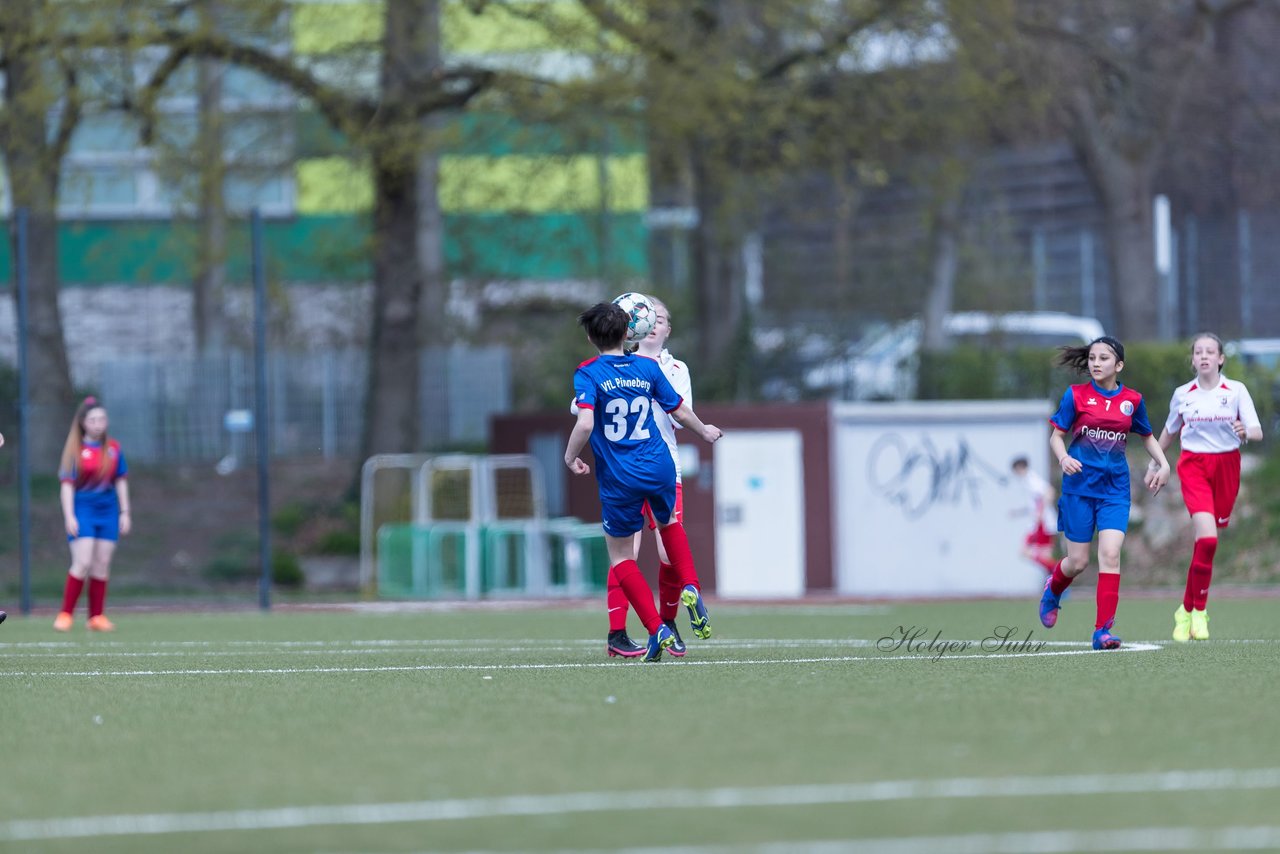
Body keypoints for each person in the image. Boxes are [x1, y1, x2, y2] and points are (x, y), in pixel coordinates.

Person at [565, 302, 722, 661]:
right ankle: (692, 587)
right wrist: (705, 431)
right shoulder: (648, 368)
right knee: (670, 526)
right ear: (628, 333)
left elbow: (585, 422)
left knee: (622, 557)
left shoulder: (588, 372)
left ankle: (656, 627)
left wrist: (570, 456)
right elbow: (680, 410)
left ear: (590, 337)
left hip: (622, 475)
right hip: (661, 465)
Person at [1037, 336, 1170, 650]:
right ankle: (1053, 589)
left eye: (1104, 358)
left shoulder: (1132, 400)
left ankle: (1102, 632)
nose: (1096, 363)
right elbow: (1057, 436)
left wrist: (1163, 463)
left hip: (1115, 489)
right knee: (1077, 562)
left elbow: (1147, 436)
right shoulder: (1076, 396)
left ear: (1119, 365)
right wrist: (1064, 457)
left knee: (1110, 556)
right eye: (1093, 358)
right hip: (1079, 489)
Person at [1154, 332, 1262, 642]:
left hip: (1227, 466)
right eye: (1198, 352)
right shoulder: (1183, 394)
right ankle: (1199, 611)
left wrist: (1245, 430)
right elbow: (1168, 432)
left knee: (1207, 543)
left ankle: (1184, 610)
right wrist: (1155, 463)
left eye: (1209, 351)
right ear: (1192, 360)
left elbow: (1256, 430)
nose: (1203, 356)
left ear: (1220, 358)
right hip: (1194, 467)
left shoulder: (1236, 391)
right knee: (1208, 539)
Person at [54, 398, 131, 632]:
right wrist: (69, 516)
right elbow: (66, 486)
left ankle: (96, 617)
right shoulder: (75, 450)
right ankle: (65, 614)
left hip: (108, 512)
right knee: (83, 562)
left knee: (102, 564)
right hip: (82, 510)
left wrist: (125, 512)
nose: (99, 424)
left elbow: (120, 481)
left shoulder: (114, 449)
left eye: (102, 419)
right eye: (93, 419)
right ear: (83, 422)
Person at [1009, 455, 1058, 575]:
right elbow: (1033, 503)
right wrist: (1018, 512)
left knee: (1025, 551)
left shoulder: (1032, 479)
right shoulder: (1027, 481)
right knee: (1044, 556)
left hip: (1042, 523)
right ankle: (1056, 581)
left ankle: (1059, 571)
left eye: (1016, 470)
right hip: (1043, 522)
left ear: (1020, 467)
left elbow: (1049, 492)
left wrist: (1040, 514)